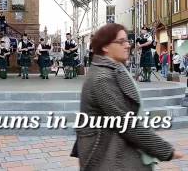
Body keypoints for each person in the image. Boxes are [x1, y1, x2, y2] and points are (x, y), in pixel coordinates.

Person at [71, 23, 184, 170]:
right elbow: (126, 123)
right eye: (121, 41)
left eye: (127, 41)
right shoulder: (102, 77)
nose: (127, 45)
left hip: (115, 148)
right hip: (106, 153)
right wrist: (165, 150)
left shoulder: (114, 68)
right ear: (105, 47)